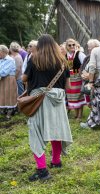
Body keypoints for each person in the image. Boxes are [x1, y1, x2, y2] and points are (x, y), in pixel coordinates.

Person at [22, 34, 73, 181]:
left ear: (40, 46)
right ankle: (56, 161)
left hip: (39, 100)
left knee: (36, 133)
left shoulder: (34, 59)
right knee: (56, 131)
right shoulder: (62, 61)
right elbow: (68, 86)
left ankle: (42, 171)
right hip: (57, 101)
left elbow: (23, 79)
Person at [65, 38, 86, 121]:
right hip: (70, 77)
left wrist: (83, 74)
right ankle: (76, 113)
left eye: (73, 44)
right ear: (67, 46)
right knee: (72, 96)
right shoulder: (66, 55)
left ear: (76, 45)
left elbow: (85, 64)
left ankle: (80, 115)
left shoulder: (79, 54)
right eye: (69, 45)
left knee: (78, 95)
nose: (72, 46)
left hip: (78, 77)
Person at [0, 45, 17, 120]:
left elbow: (4, 72)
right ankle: (4, 111)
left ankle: (9, 114)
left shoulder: (10, 59)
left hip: (9, 79)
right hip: (3, 79)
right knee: (3, 95)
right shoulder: (1, 60)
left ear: (3, 51)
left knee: (9, 95)